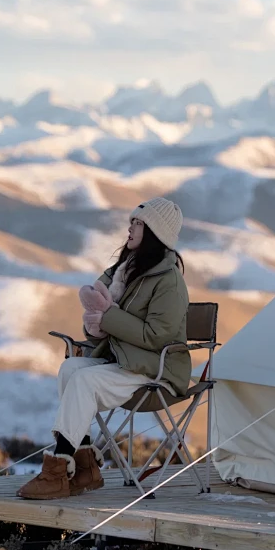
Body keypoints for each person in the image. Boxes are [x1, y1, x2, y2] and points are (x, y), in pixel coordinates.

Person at [18, 197, 190, 500]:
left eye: (139, 223)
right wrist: (95, 324)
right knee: (71, 368)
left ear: (155, 233)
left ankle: (56, 472)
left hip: (156, 369)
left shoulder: (170, 282)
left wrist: (109, 318)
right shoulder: (125, 271)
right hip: (124, 361)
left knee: (85, 380)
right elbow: (101, 321)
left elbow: (156, 337)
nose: (131, 228)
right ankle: (85, 467)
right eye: (132, 222)